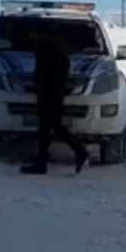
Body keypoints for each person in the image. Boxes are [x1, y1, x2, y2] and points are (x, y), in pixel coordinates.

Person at [20, 30, 90, 175]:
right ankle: (42, 162)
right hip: (56, 93)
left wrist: (38, 86)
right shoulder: (62, 54)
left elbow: (40, 73)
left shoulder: (46, 51)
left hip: (48, 93)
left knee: (51, 126)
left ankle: (79, 151)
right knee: (47, 128)